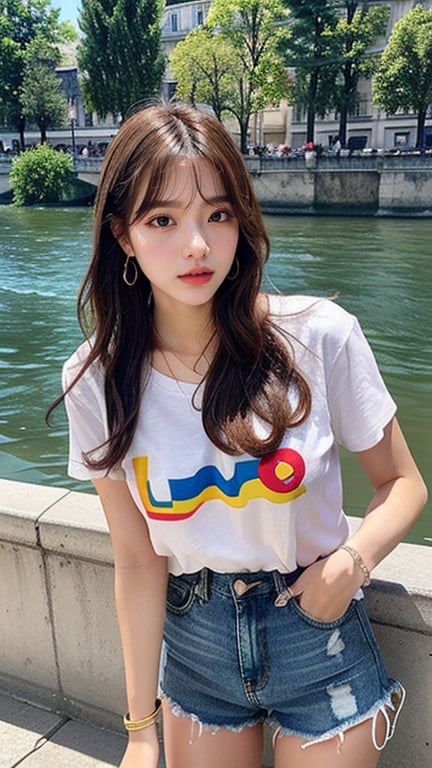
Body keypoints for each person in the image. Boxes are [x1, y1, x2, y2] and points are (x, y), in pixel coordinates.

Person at [57, 102, 427, 768]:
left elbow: (402, 482)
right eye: (162, 220)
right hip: (195, 647)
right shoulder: (96, 377)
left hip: (319, 638)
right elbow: (138, 560)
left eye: (217, 214)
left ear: (241, 221)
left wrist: (350, 566)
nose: (196, 245)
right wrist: (140, 731)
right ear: (123, 236)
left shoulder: (317, 336)